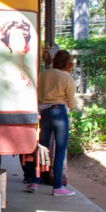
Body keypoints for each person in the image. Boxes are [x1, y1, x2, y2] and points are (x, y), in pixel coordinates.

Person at [28, 50, 77, 196]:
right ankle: (57, 187)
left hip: (43, 113)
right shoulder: (67, 78)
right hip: (59, 112)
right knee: (60, 150)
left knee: (42, 148)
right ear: (68, 63)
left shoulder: (42, 74)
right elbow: (72, 103)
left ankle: (34, 181)